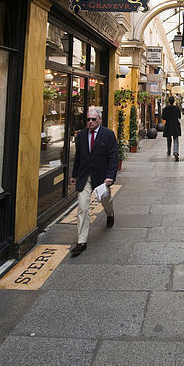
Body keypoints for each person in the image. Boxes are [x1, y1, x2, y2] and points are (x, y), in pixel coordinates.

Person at [69, 108, 118, 256]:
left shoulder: (108, 135)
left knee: (105, 200)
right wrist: (74, 175)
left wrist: (110, 176)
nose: (90, 122)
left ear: (100, 120)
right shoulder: (81, 135)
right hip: (85, 177)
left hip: (101, 177)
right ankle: (81, 241)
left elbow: (113, 157)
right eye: (88, 119)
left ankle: (110, 213)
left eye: (93, 119)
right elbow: (78, 156)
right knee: (83, 208)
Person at [162, 95, 181, 161]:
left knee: (168, 139)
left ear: (168, 101)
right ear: (174, 101)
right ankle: (175, 152)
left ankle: (169, 151)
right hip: (175, 125)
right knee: (176, 139)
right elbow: (179, 117)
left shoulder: (165, 109)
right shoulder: (177, 108)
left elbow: (163, 117)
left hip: (168, 125)